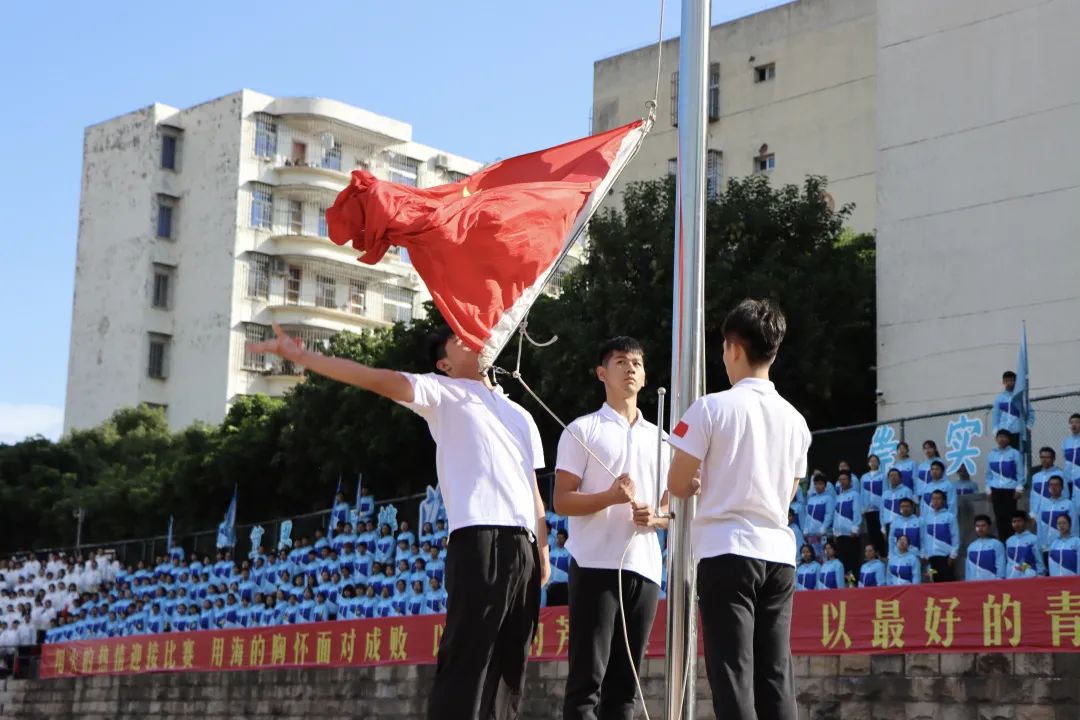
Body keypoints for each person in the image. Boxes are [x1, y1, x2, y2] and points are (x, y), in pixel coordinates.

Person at [248, 322, 551, 719]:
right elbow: (375, 378)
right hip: (480, 536)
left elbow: (533, 489)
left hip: (524, 545)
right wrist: (304, 357)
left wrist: (543, 550)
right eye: (458, 340)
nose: (471, 341)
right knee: (469, 656)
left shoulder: (519, 414)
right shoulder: (442, 392)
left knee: (511, 663)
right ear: (444, 363)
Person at [667, 299, 810, 720]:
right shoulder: (796, 420)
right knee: (775, 674)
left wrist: (701, 483)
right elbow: (789, 492)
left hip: (727, 550)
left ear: (733, 348)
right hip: (778, 555)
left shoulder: (710, 407)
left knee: (733, 675)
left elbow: (677, 483)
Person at [554, 336, 669, 720]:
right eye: (621, 361)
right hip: (594, 565)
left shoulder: (662, 440)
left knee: (625, 687)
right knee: (587, 681)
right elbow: (562, 500)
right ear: (602, 372)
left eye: (637, 363)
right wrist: (608, 497)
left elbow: (673, 510)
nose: (630, 368)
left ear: (645, 375)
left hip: (645, 567)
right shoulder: (582, 430)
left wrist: (656, 518)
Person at [986, 429, 1026, 542]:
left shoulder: (1015, 453)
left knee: (1011, 518)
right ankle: (1003, 542)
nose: (1002, 439)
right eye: (1000, 437)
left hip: (1010, 490)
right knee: (999, 518)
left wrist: (1019, 488)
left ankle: (1012, 541)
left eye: (1004, 437)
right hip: (996, 490)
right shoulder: (991, 454)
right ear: (996, 439)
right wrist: (988, 490)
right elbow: (988, 474)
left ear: (1008, 439)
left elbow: (1020, 472)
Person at [1035, 475, 1077, 564]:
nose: (1053, 487)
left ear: (1062, 488)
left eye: (1056, 485)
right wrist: (1040, 546)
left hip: (1062, 549)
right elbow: (1039, 528)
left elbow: (1074, 527)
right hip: (1046, 549)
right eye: (1051, 485)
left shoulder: (1069, 504)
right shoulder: (1043, 505)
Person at [920, 490, 959, 582]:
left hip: (945, 558)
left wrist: (953, 555)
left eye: (938, 498)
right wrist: (924, 554)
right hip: (931, 559)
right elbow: (923, 537)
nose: (935, 501)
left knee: (947, 583)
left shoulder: (950, 517)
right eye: (933, 499)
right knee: (934, 583)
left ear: (944, 501)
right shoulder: (926, 518)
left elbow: (955, 536)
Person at [831, 471, 861, 579]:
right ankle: (845, 582)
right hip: (840, 535)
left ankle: (852, 582)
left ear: (850, 481)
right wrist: (835, 531)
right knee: (842, 562)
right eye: (840, 480)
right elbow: (836, 515)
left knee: (851, 561)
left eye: (844, 479)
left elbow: (856, 512)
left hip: (850, 534)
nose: (842, 482)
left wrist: (855, 528)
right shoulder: (838, 497)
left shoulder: (855, 495)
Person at [992, 370, 1033, 448]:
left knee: (1019, 454)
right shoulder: (999, 399)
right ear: (1003, 382)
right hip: (1004, 434)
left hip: (1019, 432)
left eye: (1011, 380)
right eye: (1006, 381)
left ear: (1016, 381)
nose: (1009, 383)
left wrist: (1028, 426)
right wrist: (996, 432)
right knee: (1005, 454)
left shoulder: (1021, 397)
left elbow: (1030, 413)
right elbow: (996, 417)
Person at [1030, 447, 1068, 522]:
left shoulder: (1061, 474)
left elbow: (1065, 494)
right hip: (1037, 514)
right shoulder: (1036, 476)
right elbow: (1033, 496)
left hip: (1053, 513)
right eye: (1042, 457)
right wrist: (1032, 512)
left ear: (1053, 459)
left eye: (1047, 457)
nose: (1044, 460)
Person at [860, 454, 886, 556]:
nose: (873, 462)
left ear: (879, 463)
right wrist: (862, 507)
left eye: (875, 460)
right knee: (871, 532)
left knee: (880, 532)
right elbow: (862, 493)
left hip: (879, 508)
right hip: (868, 509)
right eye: (871, 461)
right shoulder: (864, 477)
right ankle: (873, 555)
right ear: (868, 463)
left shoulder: (883, 476)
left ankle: (882, 554)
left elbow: (885, 491)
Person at [965, 515, 1006, 581]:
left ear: (989, 527)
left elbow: (1001, 567)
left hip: (991, 583)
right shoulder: (971, 547)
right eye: (977, 526)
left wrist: (999, 582)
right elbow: (968, 569)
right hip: (973, 584)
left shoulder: (997, 544)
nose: (980, 528)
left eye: (983, 525)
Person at [802, 475, 834, 560]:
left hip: (823, 535)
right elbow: (808, 516)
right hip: (812, 535)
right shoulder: (811, 499)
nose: (817, 486)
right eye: (816, 484)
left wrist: (823, 529)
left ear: (825, 485)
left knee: (824, 558)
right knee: (814, 557)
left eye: (820, 484)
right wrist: (806, 529)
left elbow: (829, 515)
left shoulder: (828, 498)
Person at [1005, 511, 1044, 578]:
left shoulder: (1034, 539)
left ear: (1025, 522)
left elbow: (1039, 560)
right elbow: (1008, 562)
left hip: (1029, 577)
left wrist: (1040, 575)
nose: (1016, 524)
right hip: (1011, 578)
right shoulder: (1009, 541)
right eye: (1014, 522)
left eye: (1019, 521)